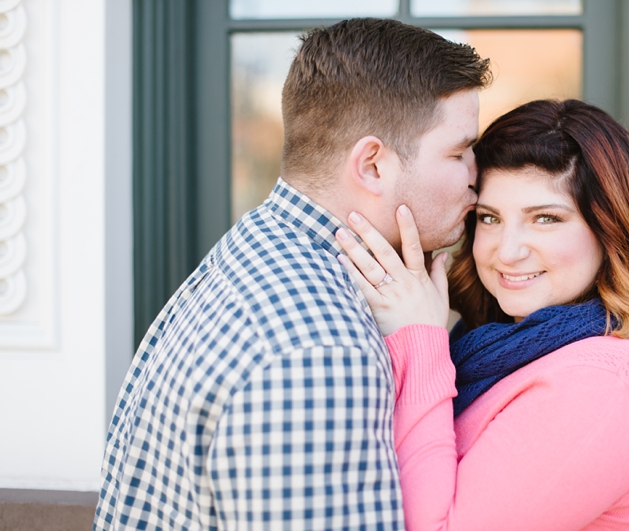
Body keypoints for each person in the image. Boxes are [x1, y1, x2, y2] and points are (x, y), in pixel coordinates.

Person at [94, 18, 490, 530]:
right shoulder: (318, 348)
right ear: (372, 165)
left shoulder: (254, 253)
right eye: (459, 152)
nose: (477, 173)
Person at [336, 99, 629, 530]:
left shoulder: (604, 382)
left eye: (546, 219)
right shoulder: (498, 345)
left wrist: (420, 341)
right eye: (490, 218)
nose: (509, 251)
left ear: (610, 229)